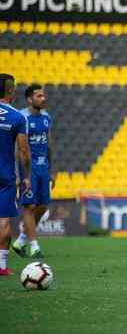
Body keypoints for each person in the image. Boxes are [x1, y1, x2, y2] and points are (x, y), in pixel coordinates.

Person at [12, 84, 53, 259]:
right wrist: (19, 174)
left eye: (43, 96)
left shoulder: (46, 118)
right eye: (39, 96)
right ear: (29, 99)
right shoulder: (22, 117)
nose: (43, 98)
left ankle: (21, 240)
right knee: (29, 207)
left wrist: (52, 169)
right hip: (28, 168)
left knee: (43, 207)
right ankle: (34, 246)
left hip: (44, 168)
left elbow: (49, 145)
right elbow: (17, 148)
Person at [0, 74, 31, 275]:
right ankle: (1, 266)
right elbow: (23, 151)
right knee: (3, 220)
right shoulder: (18, 117)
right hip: (5, 176)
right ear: (11, 90)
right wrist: (26, 175)